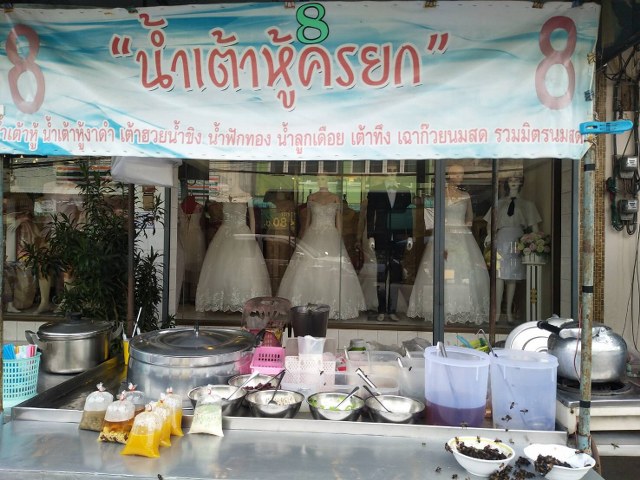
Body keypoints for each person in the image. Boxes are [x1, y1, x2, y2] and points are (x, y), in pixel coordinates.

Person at [407, 163, 489, 324]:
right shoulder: (440, 194)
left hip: (461, 236)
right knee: (441, 270)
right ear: (449, 175)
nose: (460, 177)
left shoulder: (466, 196)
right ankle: (440, 307)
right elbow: (433, 216)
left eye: (462, 174)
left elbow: (470, 218)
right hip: (443, 234)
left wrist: (464, 231)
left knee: (461, 272)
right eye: (456, 174)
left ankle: (461, 308)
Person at [278, 175, 366, 320]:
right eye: (319, 178)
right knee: (307, 269)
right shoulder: (311, 197)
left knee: (332, 271)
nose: (321, 181)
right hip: (312, 235)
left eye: (324, 178)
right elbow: (307, 223)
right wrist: (302, 241)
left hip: (331, 236)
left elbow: (339, 223)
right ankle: (306, 305)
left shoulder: (335, 198)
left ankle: (332, 307)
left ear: (328, 180)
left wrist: (340, 241)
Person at [195, 173, 271, 312]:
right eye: (228, 178)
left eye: (232, 177)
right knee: (222, 267)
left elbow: (252, 219)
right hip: (225, 233)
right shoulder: (223, 196)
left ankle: (241, 302)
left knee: (242, 269)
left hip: (242, 233)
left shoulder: (247, 196)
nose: (229, 180)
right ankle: (225, 301)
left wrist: (252, 238)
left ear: (238, 179)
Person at [484, 175, 541, 324]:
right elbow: (489, 224)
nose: (514, 182)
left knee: (512, 277)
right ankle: (497, 313)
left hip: (517, 240)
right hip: (501, 238)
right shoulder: (499, 203)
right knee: (499, 275)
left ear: (521, 183)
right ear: (506, 183)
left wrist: (533, 243)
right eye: (511, 180)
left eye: (517, 180)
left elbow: (534, 228)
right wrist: (490, 237)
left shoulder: (527, 204)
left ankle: (509, 312)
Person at [367, 161, 413, 321]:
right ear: (385, 172)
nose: (392, 172)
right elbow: (370, 214)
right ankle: (381, 309)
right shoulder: (375, 190)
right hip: (381, 236)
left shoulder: (405, 191)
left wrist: (410, 235)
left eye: (394, 170)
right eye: (389, 170)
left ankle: (392, 310)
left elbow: (408, 214)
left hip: (399, 237)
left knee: (396, 275)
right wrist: (370, 235)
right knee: (381, 274)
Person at [178, 194, 206, 303]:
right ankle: (190, 295)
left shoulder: (181, 207)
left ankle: (187, 295)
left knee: (190, 264)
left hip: (185, 236)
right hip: (193, 236)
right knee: (189, 264)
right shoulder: (198, 207)